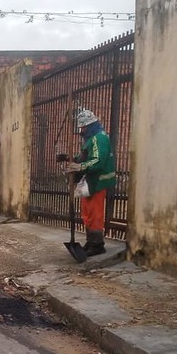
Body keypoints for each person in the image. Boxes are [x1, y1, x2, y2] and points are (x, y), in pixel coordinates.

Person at [57, 109, 116, 256]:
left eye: (82, 127)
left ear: (89, 125)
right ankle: (91, 241)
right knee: (87, 212)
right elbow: (84, 156)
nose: (81, 130)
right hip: (90, 180)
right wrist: (68, 157)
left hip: (98, 180)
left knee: (95, 213)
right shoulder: (91, 139)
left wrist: (80, 166)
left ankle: (97, 245)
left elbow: (97, 161)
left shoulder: (99, 138)